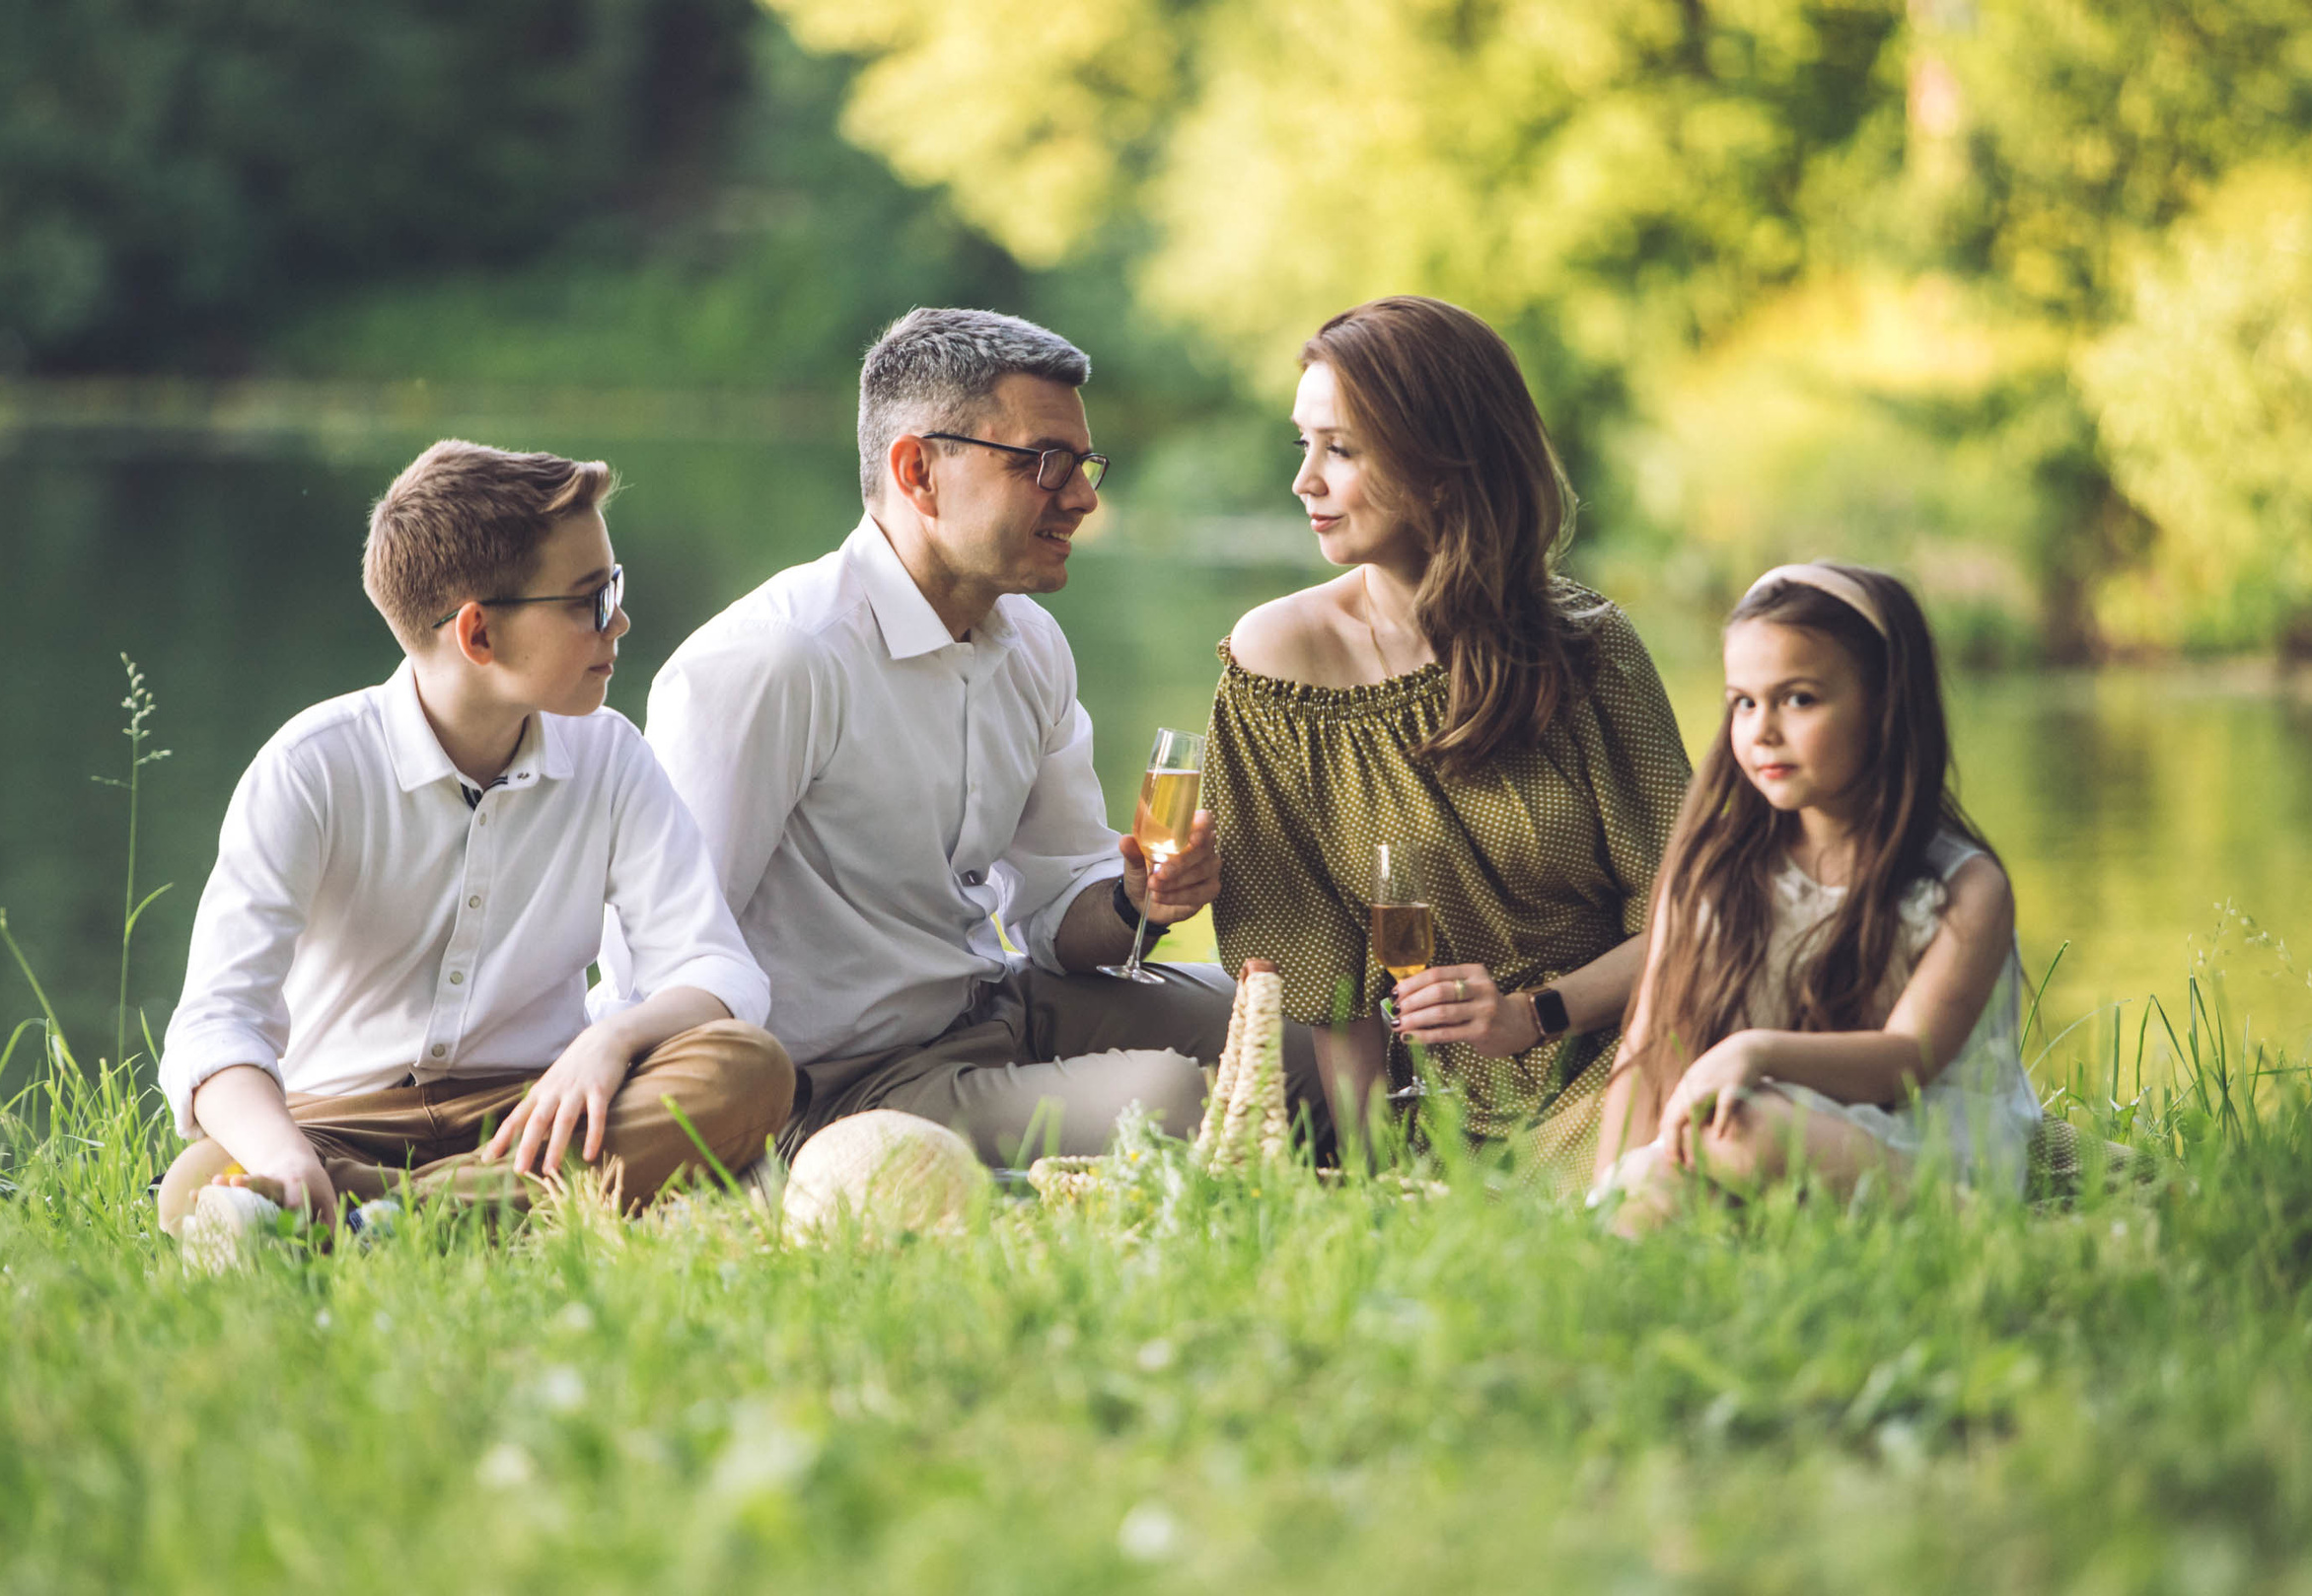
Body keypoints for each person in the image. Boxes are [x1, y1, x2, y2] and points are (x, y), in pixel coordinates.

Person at [645, 307, 1318, 1163]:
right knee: (1171, 1104)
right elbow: (662, 953)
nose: (1083, 496)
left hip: (998, 1007)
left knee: (1310, 1027)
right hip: (845, 1088)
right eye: (1046, 464)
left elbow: (1050, 909)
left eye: (1084, 465)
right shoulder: (773, 662)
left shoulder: (1029, 641)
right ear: (918, 471)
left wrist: (1132, 899)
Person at [154, 440, 793, 1259]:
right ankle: (425, 1210)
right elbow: (216, 1023)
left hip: (539, 1109)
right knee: (194, 1180)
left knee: (749, 1070)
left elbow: (717, 969)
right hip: (340, 1120)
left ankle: (382, 1223)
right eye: (591, 601)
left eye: (616, 589)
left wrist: (612, 1037)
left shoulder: (611, 755)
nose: (620, 622)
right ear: (478, 633)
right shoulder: (310, 767)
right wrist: (283, 1154)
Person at [1207, 296, 1690, 1183]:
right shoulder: (1276, 666)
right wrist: (1369, 1177)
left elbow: (1689, 911)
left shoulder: (1589, 648)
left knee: (1703, 1125)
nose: (1303, 480)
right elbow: (1325, 977)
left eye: (1340, 449)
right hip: (1443, 1104)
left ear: (1443, 466)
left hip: (1632, 1043)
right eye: (1302, 444)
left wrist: (1536, 1013)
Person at [1589, 562, 2044, 1233]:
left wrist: (1756, 1050)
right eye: (1744, 701)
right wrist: (1608, 1189)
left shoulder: (1962, 888)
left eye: (1798, 699)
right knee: (1648, 1199)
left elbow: (1907, 1061)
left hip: (1915, 1147)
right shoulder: (1715, 869)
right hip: (1755, 1143)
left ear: (1885, 703)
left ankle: (1994, 1233)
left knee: (1737, 1127)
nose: (1762, 729)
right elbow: (1650, 1046)